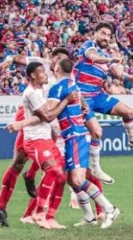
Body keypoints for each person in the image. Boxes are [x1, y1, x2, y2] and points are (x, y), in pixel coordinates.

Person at [0, 48, 70, 227]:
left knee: (51, 165)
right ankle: (5, 204)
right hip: (34, 116)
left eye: (62, 60)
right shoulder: (42, 68)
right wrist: (8, 59)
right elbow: (20, 59)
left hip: (47, 120)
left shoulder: (64, 78)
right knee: (21, 161)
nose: (57, 62)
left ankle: (34, 202)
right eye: (56, 58)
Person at [75, 22, 133, 184]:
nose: (105, 38)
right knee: (96, 132)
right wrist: (109, 58)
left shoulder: (106, 54)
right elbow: (93, 57)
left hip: (97, 95)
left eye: (108, 36)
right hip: (81, 97)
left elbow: (117, 74)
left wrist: (129, 77)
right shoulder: (89, 46)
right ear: (95, 33)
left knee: (128, 112)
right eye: (103, 33)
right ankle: (95, 168)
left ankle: (132, 140)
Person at [47, 58, 120, 229]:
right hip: (73, 136)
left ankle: (110, 209)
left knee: (78, 180)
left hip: (75, 137)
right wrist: (84, 107)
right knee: (72, 180)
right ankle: (89, 216)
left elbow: (48, 113)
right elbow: (82, 102)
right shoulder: (73, 84)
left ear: (57, 68)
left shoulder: (57, 88)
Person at [6, 62, 74, 229]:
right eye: (42, 72)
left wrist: (21, 123)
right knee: (52, 170)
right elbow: (48, 117)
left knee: (61, 176)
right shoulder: (31, 93)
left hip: (47, 139)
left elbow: (43, 117)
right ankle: (39, 213)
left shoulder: (42, 90)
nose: (45, 74)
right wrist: (65, 101)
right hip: (35, 140)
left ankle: (50, 217)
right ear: (33, 76)